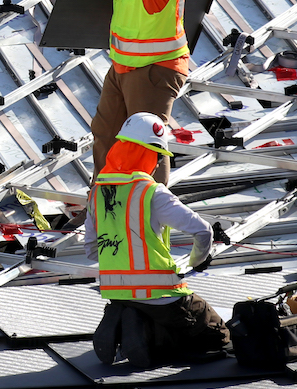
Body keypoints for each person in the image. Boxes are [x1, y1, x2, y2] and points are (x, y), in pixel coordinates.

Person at [79, 112, 227, 368]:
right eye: (158, 157)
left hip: (118, 293)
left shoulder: (97, 193)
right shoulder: (152, 193)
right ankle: (151, 338)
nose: (158, 164)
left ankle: (129, 317)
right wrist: (195, 262)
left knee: (151, 311)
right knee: (218, 336)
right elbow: (203, 232)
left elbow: (92, 252)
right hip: (162, 295)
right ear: (148, 155)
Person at [89, 0, 189, 184]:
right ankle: (100, 205)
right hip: (124, 66)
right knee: (105, 133)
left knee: (147, 144)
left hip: (155, 69)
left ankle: (153, 212)